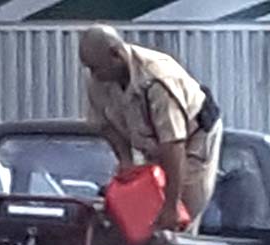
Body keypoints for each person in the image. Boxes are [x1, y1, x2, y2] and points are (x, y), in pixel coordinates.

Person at [79, 24, 223, 234]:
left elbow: (173, 145)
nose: (93, 74)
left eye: (96, 68)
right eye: (89, 68)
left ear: (116, 55)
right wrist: (126, 161)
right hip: (152, 140)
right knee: (143, 207)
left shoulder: (157, 79)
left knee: (177, 216)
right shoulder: (99, 78)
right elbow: (104, 125)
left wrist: (171, 205)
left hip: (192, 138)